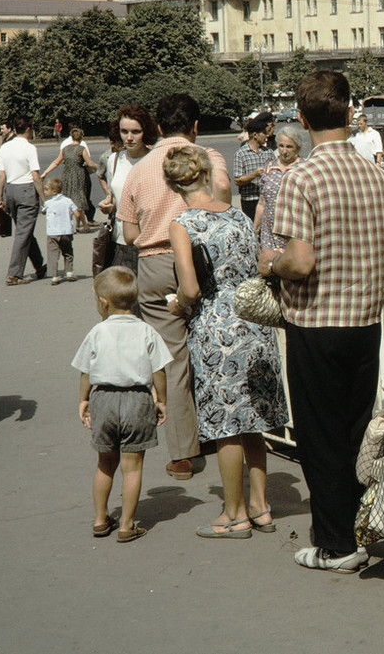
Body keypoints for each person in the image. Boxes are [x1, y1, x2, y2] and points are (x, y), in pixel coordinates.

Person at [269, 70, 384, 572]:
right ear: (349, 113)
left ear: (301, 120)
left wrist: (270, 264)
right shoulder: (373, 172)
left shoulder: (299, 176)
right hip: (365, 321)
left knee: (319, 436)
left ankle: (336, 545)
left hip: (316, 321)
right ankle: (353, 528)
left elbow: (299, 262)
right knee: (352, 431)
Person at [164, 145, 288, 537]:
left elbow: (190, 287)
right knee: (254, 420)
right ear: (205, 176)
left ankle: (233, 513)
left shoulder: (184, 223)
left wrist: (177, 308)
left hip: (217, 327)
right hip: (254, 321)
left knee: (227, 423)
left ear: (171, 184)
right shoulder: (236, 214)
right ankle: (261, 506)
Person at [117, 93, 232, 480]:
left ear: (159, 127)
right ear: (195, 126)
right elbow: (225, 198)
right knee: (215, 341)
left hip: (155, 264)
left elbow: (129, 234)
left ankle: (184, 451)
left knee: (173, 357)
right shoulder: (208, 157)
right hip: (205, 254)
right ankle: (222, 427)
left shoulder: (138, 169)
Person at [72, 266, 171, 543]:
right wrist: (161, 400)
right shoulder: (146, 331)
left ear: (103, 302)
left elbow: (85, 372)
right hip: (137, 399)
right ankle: (128, 524)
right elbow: (159, 370)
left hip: (102, 397)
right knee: (133, 466)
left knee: (105, 463)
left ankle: (100, 519)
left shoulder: (97, 332)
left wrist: (83, 400)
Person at [99, 103, 158, 275]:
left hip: (151, 242)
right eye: (124, 132)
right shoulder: (114, 160)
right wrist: (109, 205)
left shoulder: (155, 159)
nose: (129, 137)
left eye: (136, 132)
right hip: (121, 242)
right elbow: (115, 196)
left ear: (145, 131)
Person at [0, 115, 47, 286]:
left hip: (10, 191)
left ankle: (39, 265)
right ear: (30, 129)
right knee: (23, 233)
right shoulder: (30, 148)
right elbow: (35, 176)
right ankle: (14, 274)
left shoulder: (5, 147)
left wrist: (0, 197)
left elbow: (1, 175)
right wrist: (44, 198)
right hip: (26, 191)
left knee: (25, 231)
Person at [255, 124, 306, 245]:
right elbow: (262, 203)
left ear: (297, 148)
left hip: (294, 234)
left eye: (289, 147)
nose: (284, 151)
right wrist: (255, 228)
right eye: (281, 146)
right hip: (269, 233)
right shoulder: (269, 168)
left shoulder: (304, 169)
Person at [42, 127, 99, 230]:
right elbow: (90, 163)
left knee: (69, 198)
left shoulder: (65, 149)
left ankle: (76, 225)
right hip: (79, 176)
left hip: (67, 175)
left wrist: (45, 172)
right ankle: (83, 225)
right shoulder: (82, 149)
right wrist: (96, 167)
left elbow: (56, 162)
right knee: (79, 199)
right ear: (81, 137)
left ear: (71, 137)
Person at [232, 118, 273, 221]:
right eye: (263, 133)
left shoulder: (268, 152)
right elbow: (237, 180)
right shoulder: (241, 154)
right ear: (255, 135)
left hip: (266, 200)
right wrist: (254, 174)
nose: (266, 136)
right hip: (250, 201)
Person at [41, 178, 80, 285]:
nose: (45, 191)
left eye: (46, 189)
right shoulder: (68, 201)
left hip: (52, 232)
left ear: (54, 191)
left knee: (53, 254)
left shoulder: (48, 203)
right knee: (67, 252)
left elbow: (43, 211)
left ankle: (54, 276)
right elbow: (77, 213)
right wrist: (76, 225)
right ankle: (69, 272)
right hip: (66, 231)